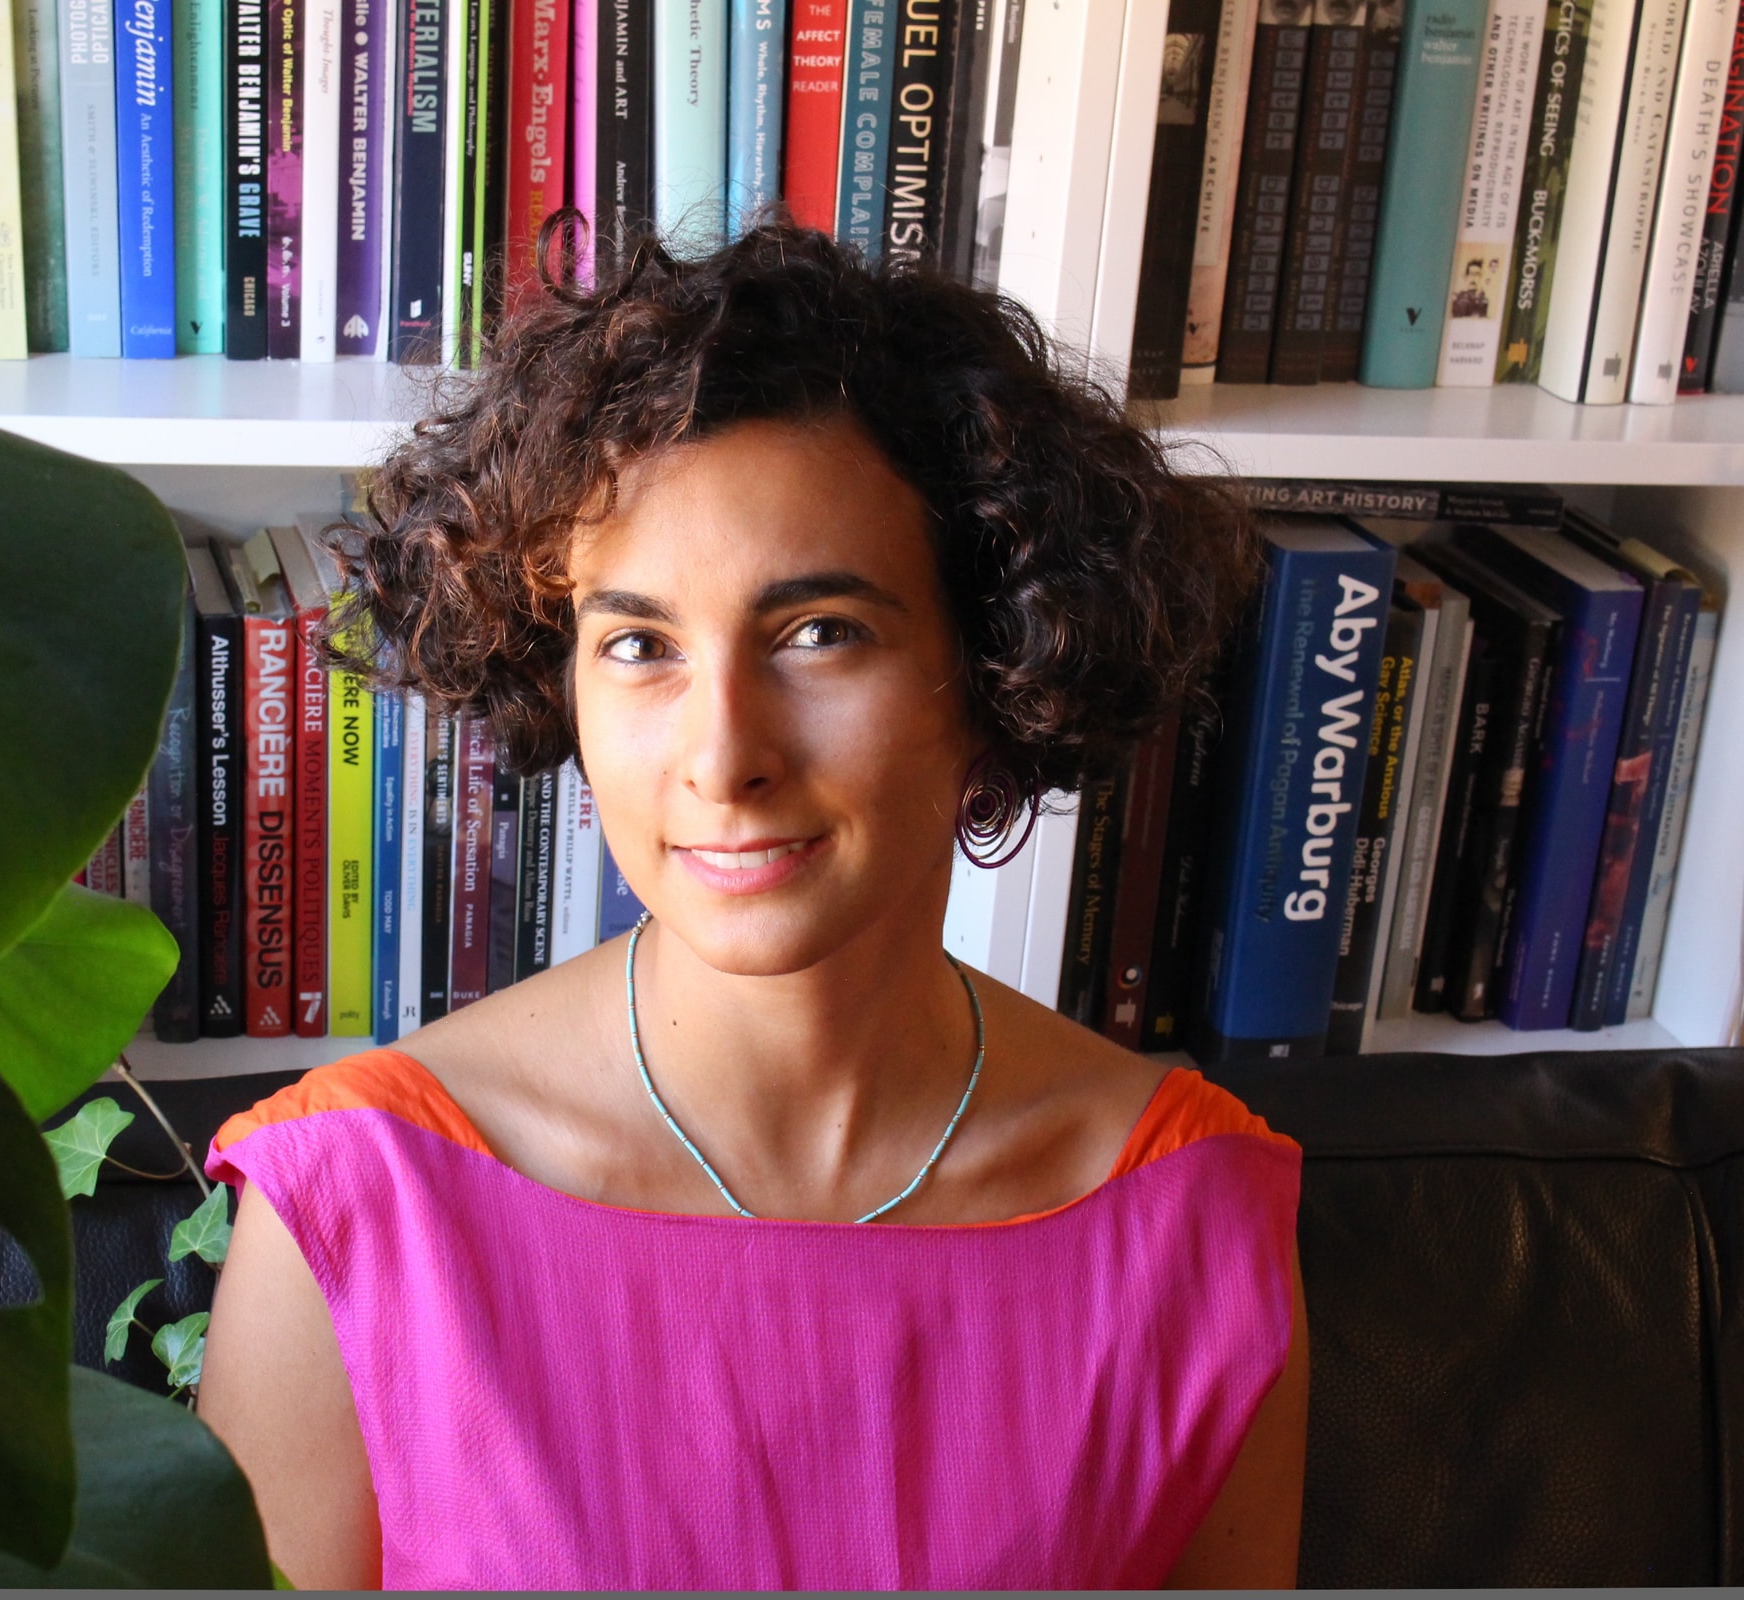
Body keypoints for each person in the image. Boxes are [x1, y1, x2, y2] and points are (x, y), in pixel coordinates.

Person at [198, 220, 1308, 1590]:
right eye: (639, 644)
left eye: (819, 634)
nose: (723, 757)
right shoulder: (361, 1209)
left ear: (998, 664)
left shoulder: (1189, 1218)